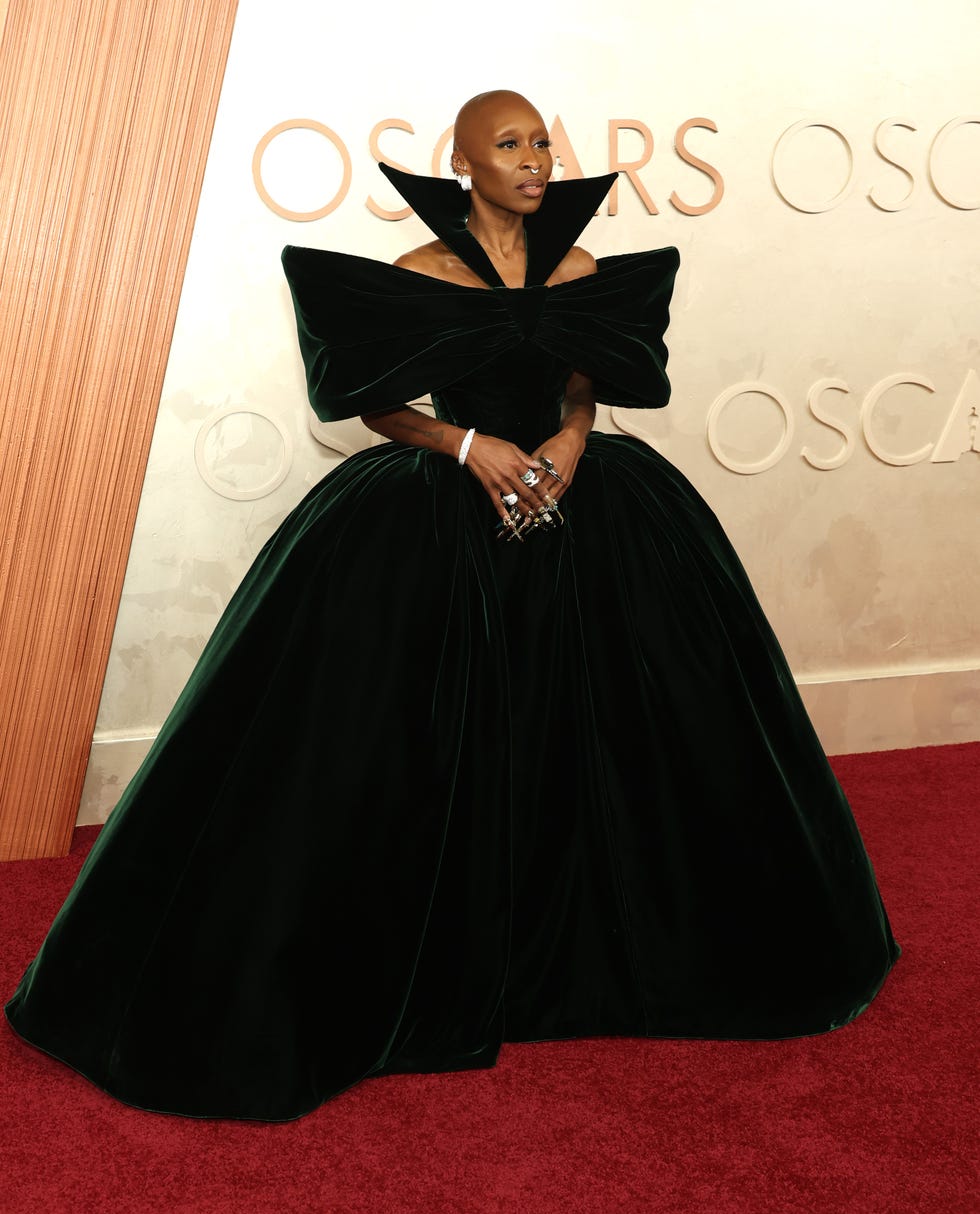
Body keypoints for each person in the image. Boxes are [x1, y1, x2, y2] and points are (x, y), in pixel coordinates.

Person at [4, 90, 899, 1122]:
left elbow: (580, 384)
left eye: (542, 144)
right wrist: (468, 448)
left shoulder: (575, 270)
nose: (535, 158)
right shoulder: (418, 277)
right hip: (441, 503)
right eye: (512, 145)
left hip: (577, 499)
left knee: (630, 717)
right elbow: (374, 404)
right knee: (381, 733)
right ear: (465, 164)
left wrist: (567, 443)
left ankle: (602, 950)